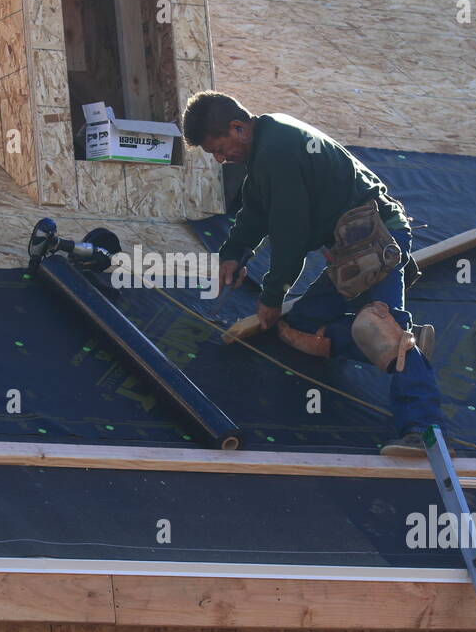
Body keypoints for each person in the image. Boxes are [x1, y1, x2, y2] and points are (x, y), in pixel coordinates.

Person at [182, 90, 443, 456]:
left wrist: (272, 297)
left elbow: (291, 237)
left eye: (220, 149)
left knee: (382, 324)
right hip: (351, 247)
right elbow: (256, 209)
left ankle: (422, 429)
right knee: (300, 328)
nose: (222, 159)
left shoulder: (277, 152)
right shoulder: (266, 138)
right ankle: (400, 344)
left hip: (379, 238)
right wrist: (233, 253)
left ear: (238, 127)